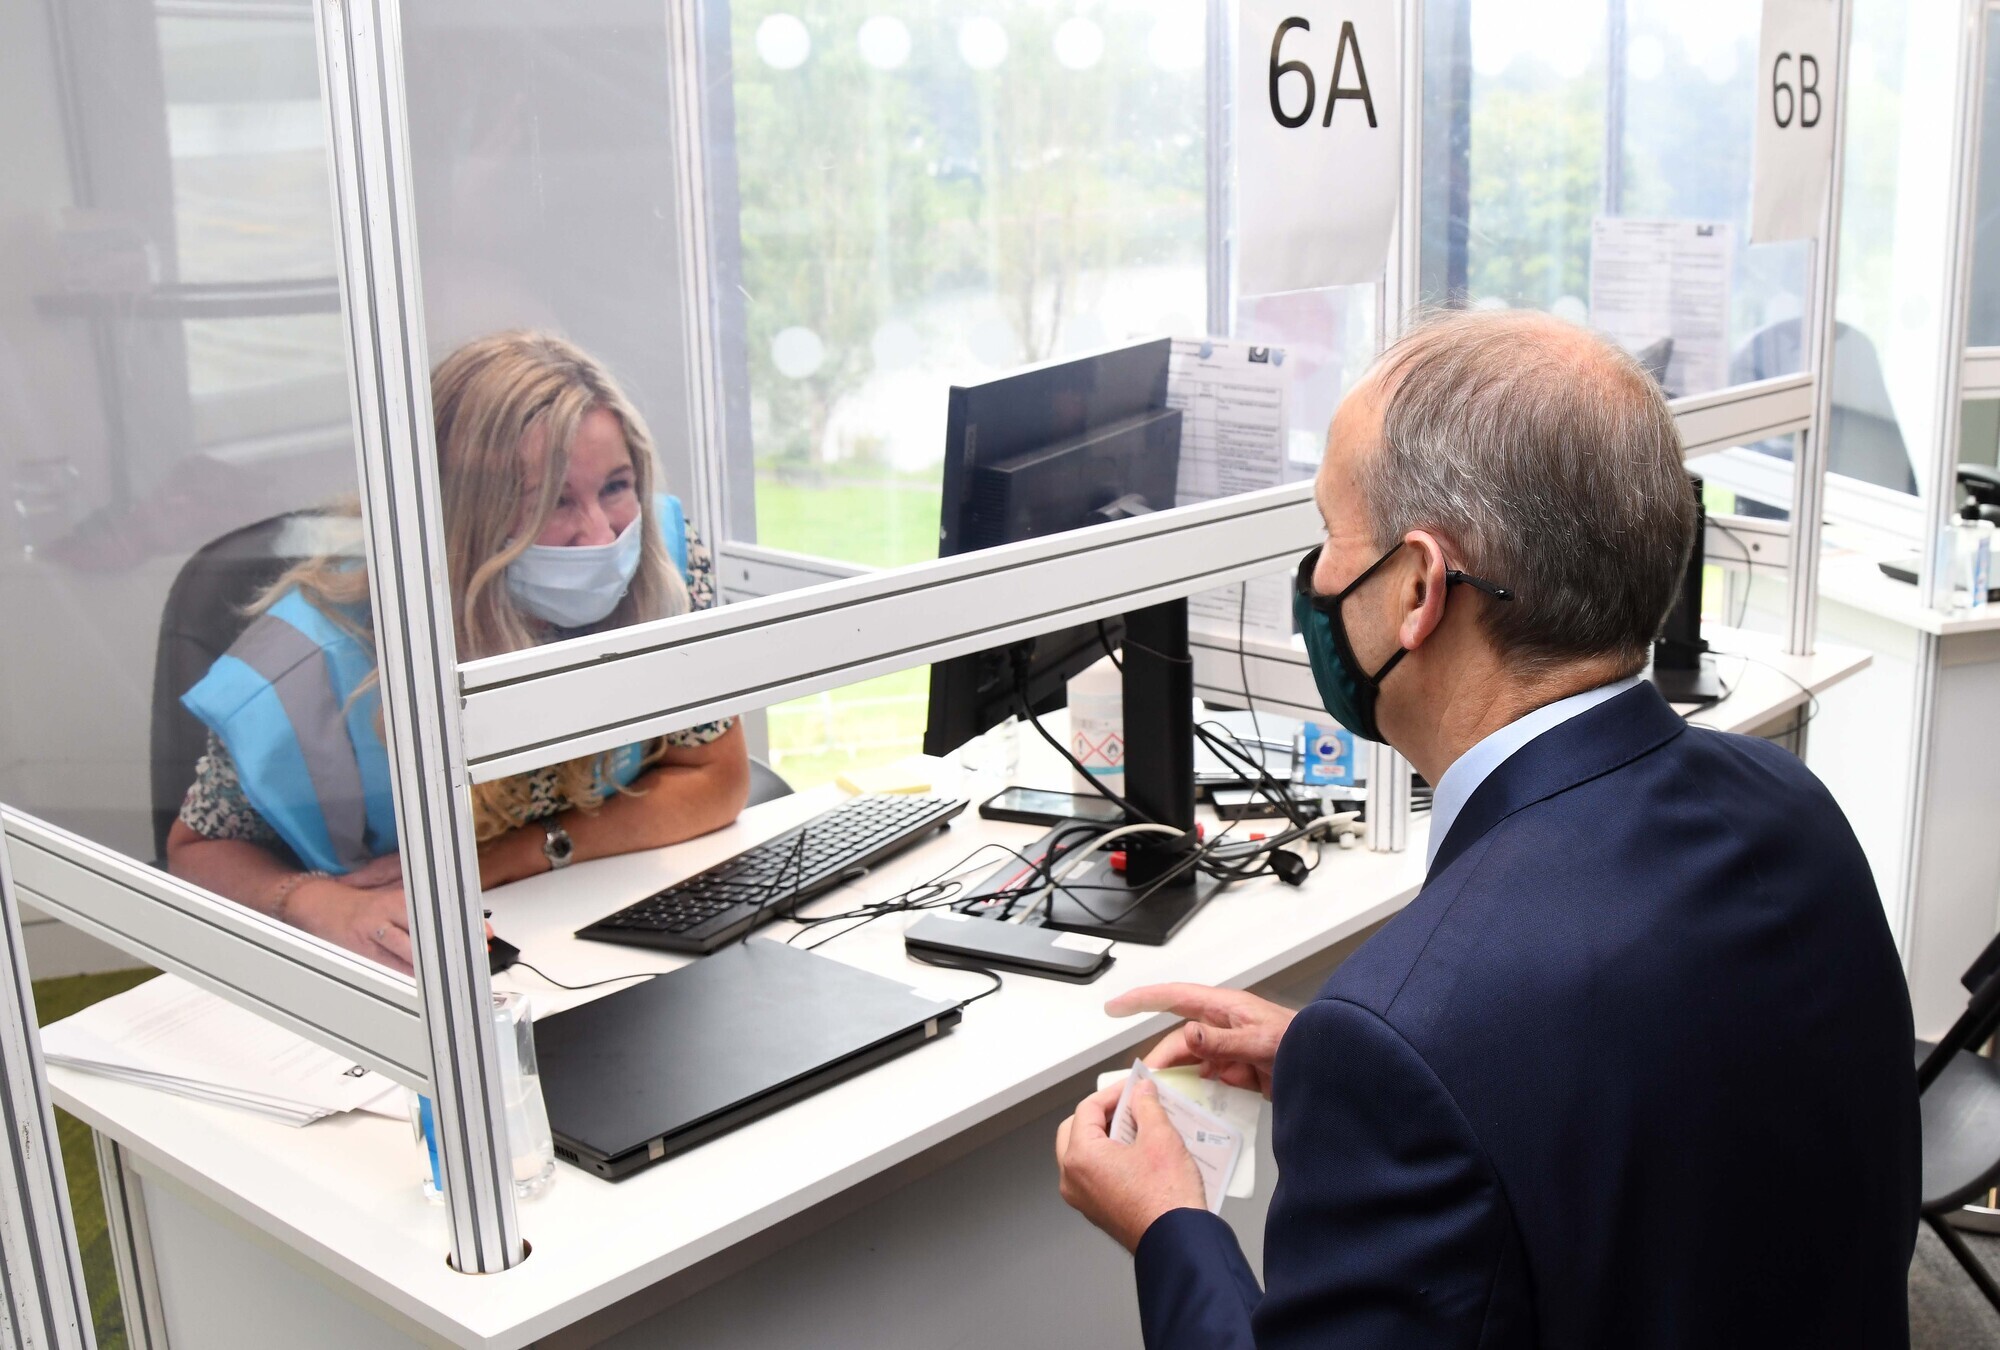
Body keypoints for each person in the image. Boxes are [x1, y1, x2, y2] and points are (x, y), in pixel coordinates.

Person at [1054, 310, 1918, 1347]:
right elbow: (1683, 1121)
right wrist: (1340, 1068)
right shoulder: (1788, 803)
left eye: (1329, 533)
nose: (1316, 580)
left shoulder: (1418, 1027)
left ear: (1419, 588)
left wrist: (1170, 1228)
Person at [165, 332, 750, 972]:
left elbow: (715, 778)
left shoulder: (662, 558)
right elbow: (197, 851)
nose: (601, 534)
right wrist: (313, 901)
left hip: (575, 925)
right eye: (554, 502)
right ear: (462, 515)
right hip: (402, 967)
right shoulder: (312, 662)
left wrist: (509, 856)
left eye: (616, 485)